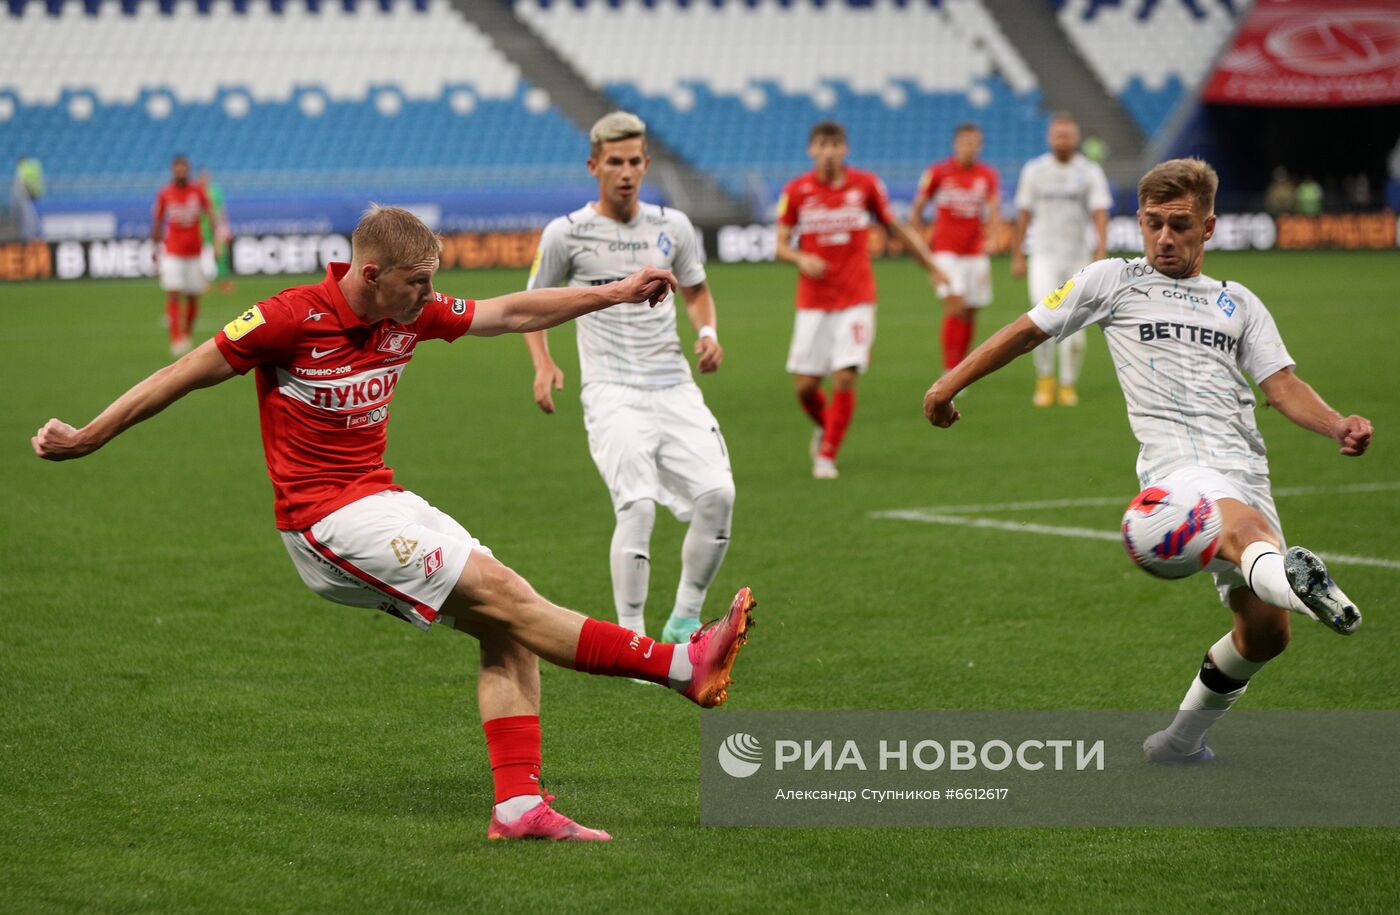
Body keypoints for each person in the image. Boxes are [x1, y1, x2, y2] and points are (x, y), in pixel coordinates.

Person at [32, 205, 757, 842]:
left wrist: (618, 292)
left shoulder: (409, 311)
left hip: (379, 497)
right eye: (418, 281)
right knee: (505, 594)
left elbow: (510, 312)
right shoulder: (288, 317)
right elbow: (181, 373)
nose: (431, 295)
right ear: (370, 272)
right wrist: (91, 434)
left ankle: (518, 806)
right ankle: (677, 666)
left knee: (507, 624)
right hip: (321, 523)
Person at [923, 159, 1372, 763]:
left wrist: (1336, 423)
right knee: (1244, 533)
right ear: (1138, 221)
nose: (1164, 237)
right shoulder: (1112, 280)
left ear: (1208, 227)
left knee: (1264, 635)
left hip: (1245, 466)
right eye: (1153, 223)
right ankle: (1301, 581)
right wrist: (948, 384)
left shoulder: (1237, 303)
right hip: (1176, 471)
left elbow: (1282, 386)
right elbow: (1028, 330)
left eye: (1179, 225)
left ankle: (1182, 742)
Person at [525, 112, 733, 646]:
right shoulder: (566, 234)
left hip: (674, 385)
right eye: (614, 162)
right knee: (637, 505)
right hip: (611, 389)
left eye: (635, 161)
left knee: (718, 496)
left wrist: (707, 330)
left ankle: (685, 619)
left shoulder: (673, 227)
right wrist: (543, 362)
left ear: (646, 163)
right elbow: (533, 304)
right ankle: (634, 641)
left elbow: (696, 289)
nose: (626, 171)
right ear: (594, 165)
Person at [776, 120, 946, 479]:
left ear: (845, 149)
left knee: (845, 377)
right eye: (821, 144)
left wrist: (929, 262)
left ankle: (827, 454)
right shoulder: (797, 191)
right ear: (811, 150)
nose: (828, 151)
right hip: (813, 301)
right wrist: (800, 257)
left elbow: (894, 226)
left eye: (835, 144)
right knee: (805, 386)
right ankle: (825, 426)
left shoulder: (866, 185)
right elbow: (779, 245)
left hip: (856, 297)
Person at [1010, 113, 1112, 408]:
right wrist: (1018, 255)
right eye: (1058, 135)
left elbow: (1100, 211)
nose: (1063, 141)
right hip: (1042, 256)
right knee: (1040, 320)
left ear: (1076, 138)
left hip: (1078, 257)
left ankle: (1068, 383)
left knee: (1076, 328)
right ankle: (1045, 378)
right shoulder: (1035, 170)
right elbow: (1023, 213)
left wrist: (1100, 250)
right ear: (1050, 138)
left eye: (1068, 135)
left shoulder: (1089, 171)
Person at [910, 122, 1001, 376]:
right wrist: (919, 242)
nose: (970, 147)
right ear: (955, 144)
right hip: (945, 252)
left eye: (974, 142)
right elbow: (918, 207)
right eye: (965, 141)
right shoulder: (938, 172)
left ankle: (961, 366)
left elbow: (994, 209)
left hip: (975, 253)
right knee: (956, 305)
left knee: (971, 311)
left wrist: (993, 237)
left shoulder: (987, 175)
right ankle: (949, 369)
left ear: (980, 145)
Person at [152, 155, 213, 356]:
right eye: (177, 168)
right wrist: (155, 250)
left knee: (194, 296)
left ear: (188, 170)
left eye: (183, 168)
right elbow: (158, 222)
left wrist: (213, 241)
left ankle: (186, 334)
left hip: (195, 252)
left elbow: (210, 214)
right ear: (173, 170)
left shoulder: (197, 191)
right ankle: (176, 338)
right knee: (174, 292)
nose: (180, 172)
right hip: (173, 252)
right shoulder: (165, 194)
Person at [198, 168, 234, 294]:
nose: (205, 179)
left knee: (221, 254)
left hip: (217, 226)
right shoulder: (197, 191)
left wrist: (225, 226)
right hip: (203, 228)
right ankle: (205, 283)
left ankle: (224, 282)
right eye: (202, 177)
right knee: (204, 255)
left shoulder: (215, 190)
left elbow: (222, 209)